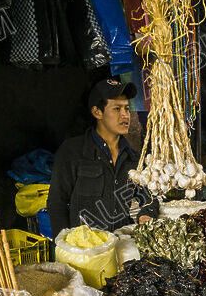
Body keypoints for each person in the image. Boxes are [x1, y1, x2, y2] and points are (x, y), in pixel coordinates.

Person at [47, 78, 159, 235]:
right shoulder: (73, 152)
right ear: (97, 112)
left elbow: (150, 199)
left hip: (121, 247)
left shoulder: (134, 158)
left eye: (127, 109)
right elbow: (56, 203)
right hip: (84, 250)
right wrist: (64, 243)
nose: (125, 115)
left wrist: (147, 213)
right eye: (116, 109)